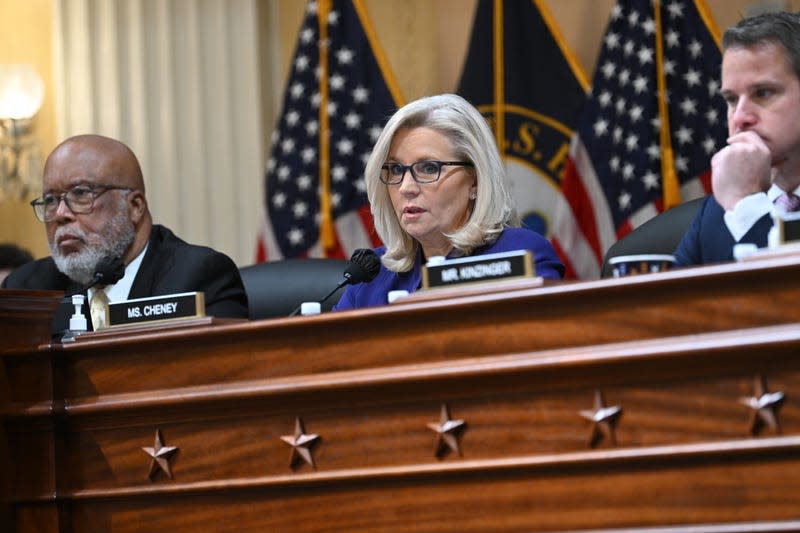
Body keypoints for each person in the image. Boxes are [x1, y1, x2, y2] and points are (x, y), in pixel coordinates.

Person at [333, 93, 564, 310]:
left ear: (475, 181)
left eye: (429, 168)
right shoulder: (370, 278)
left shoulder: (519, 254)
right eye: (395, 169)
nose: (406, 188)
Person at [1, 134, 249, 331]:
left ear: (135, 207)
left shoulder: (198, 278)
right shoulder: (27, 290)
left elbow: (223, 380)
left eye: (81, 193)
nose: (60, 213)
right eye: (51, 200)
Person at [674, 11, 800, 266]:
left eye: (763, 93)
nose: (739, 117)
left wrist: (747, 209)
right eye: (731, 99)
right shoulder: (716, 212)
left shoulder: (738, 202)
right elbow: (670, 305)